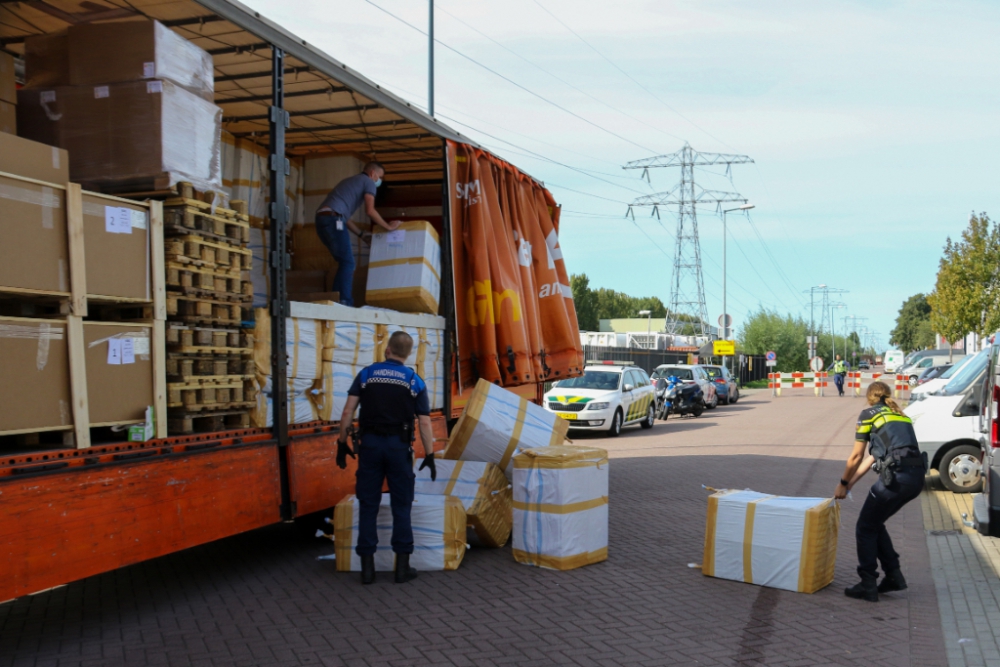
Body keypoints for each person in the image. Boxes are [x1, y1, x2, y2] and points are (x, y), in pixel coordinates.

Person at [335, 331, 437, 585]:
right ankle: (402, 568)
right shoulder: (414, 380)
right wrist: (431, 454)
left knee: (368, 504)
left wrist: (341, 443)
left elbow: (348, 410)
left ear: (387, 350)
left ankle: (367, 570)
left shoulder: (367, 375)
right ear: (408, 354)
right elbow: (424, 422)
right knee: (401, 506)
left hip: (369, 446)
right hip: (399, 449)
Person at [835, 381, 924, 602]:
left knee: (864, 527)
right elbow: (872, 457)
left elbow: (856, 456)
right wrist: (851, 484)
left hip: (895, 480)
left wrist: (842, 482)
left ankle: (868, 584)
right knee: (875, 523)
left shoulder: (868, 415)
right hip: (915, 479)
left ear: (869, 397)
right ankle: (894, 576)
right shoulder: (900, 415)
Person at [315, 161, 400, 307]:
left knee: (344, 262)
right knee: (348, 263)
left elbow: (344, 217)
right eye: (379, 177)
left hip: (322, 219)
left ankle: (337, 299)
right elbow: (370, 211)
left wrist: (362, 235)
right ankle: (344, 302)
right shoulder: (369, 182)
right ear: (373, 173)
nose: (379, 181)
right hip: (334, 219)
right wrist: (388, 227)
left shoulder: (351, 181)